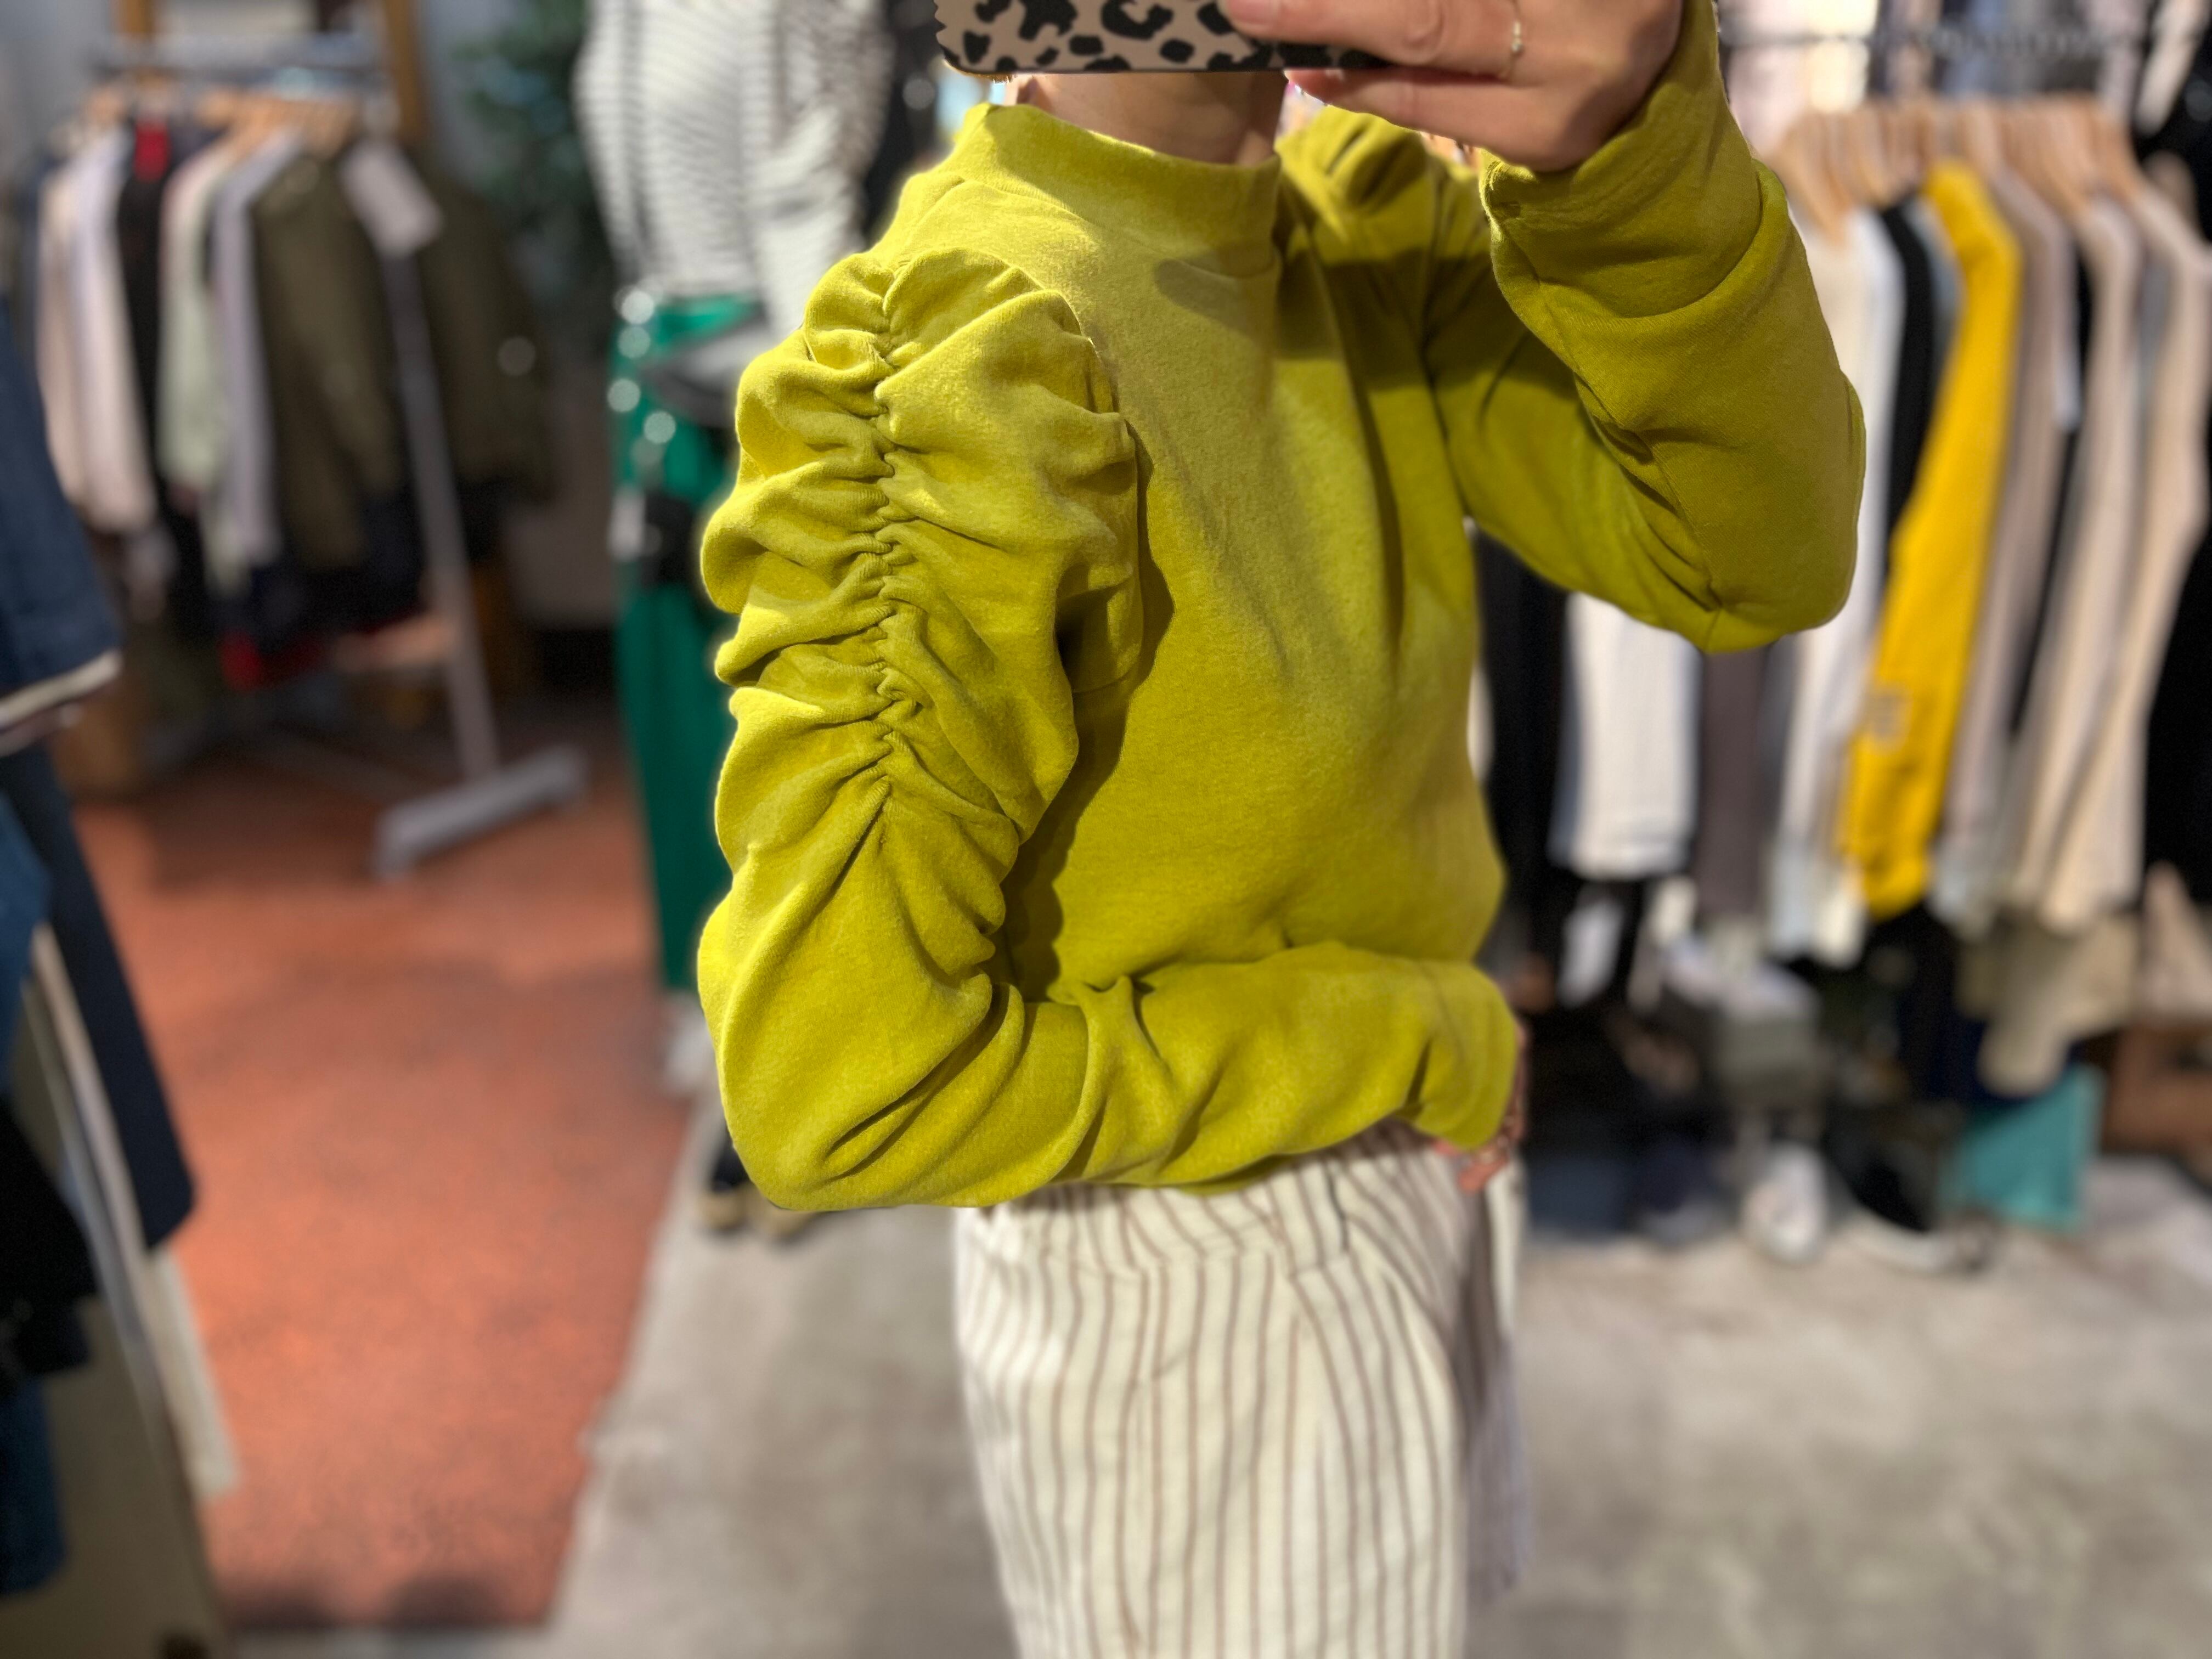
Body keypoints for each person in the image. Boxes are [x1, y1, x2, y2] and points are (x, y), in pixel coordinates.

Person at [697, 0, 1860, 1649]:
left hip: (1383, 1172)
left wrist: (1627, 156)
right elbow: (836, 1087)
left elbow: (1758, 557)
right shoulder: (984, 353)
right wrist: (1410, 1035)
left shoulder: (1346, 234)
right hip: (1196, 1262)